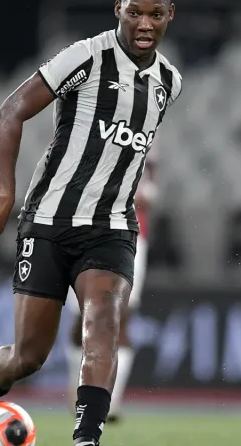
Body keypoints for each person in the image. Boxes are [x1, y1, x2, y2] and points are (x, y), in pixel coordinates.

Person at [0, 0, 182, 446]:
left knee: (102, 323)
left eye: (155, 14)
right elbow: (11, 111)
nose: (143, 23)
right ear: (118, 9)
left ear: (169, 15)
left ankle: (86, 439)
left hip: (112, 228)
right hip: (49, 223)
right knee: (27, 357)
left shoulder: (169, 83)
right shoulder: (86, 57)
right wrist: (4, 197)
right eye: (134, 11)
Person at [65, 144, 158, 424]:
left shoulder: (147, 127)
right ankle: (77, 388)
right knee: (83, 315)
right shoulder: (89, 122)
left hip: (131, 235)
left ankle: (111, 400)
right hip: (86, 228)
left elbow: (149, 193)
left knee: (123, 316)